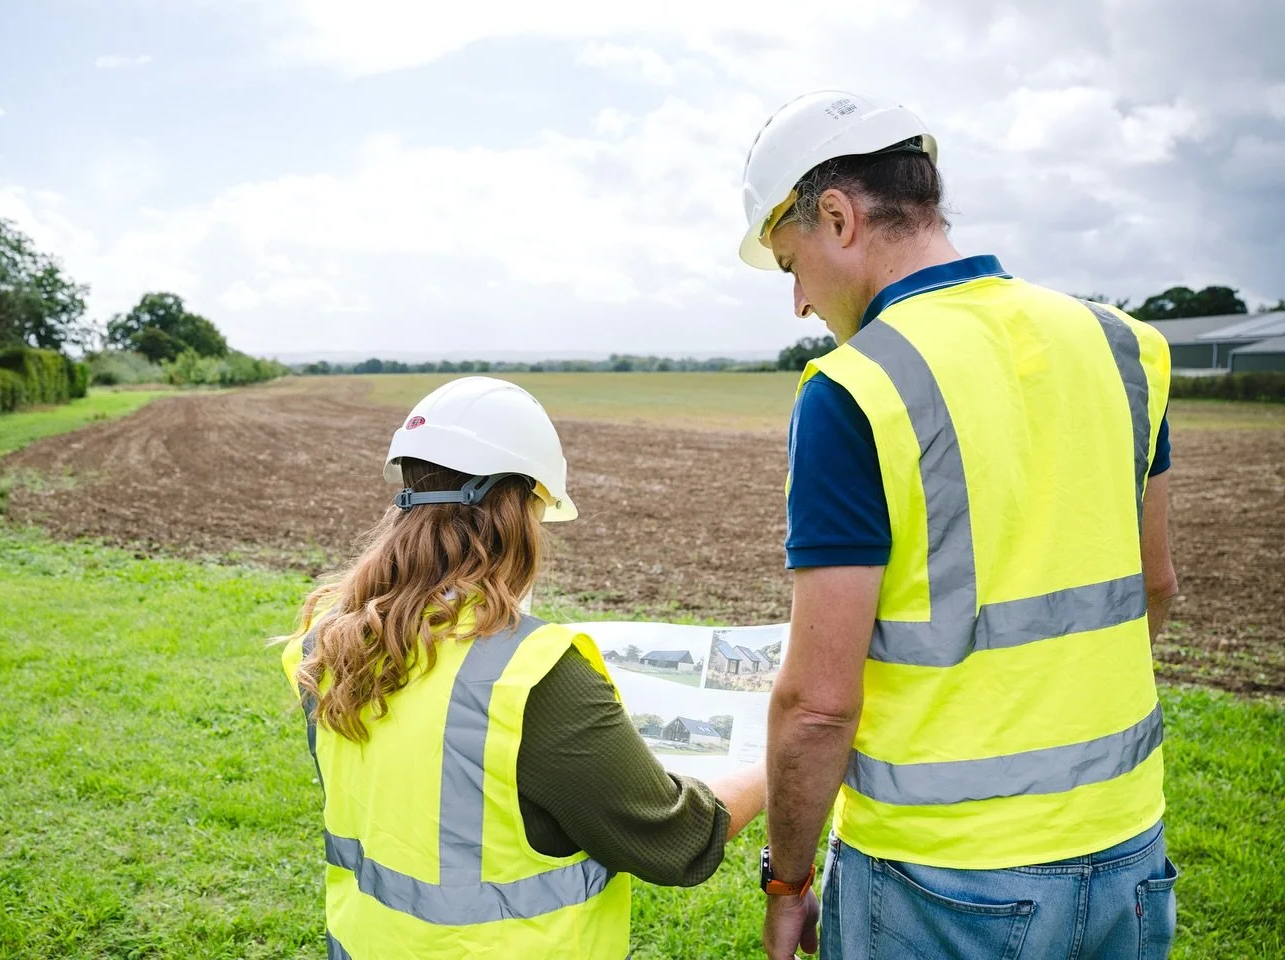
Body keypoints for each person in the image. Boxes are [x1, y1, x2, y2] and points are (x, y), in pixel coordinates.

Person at [737, 91, 1180, 959]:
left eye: (792, 263)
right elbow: (1154, 587)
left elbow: (820, 707)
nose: (796, 303)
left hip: (940, 882)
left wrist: (788, 882)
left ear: (837, 216)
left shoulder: (852, 390)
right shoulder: (1124, 344)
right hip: (1129, 849)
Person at [278, 376, 766, 959]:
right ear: (518, 509)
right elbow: (674, 838)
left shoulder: (330, 642)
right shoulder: (532, 675)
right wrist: (778, 757)